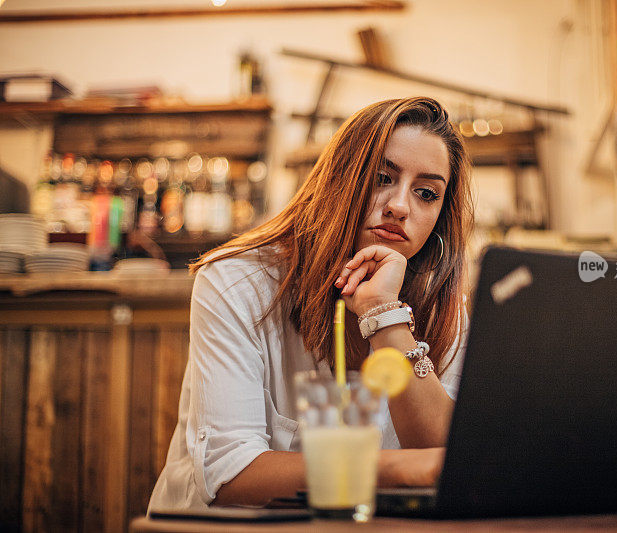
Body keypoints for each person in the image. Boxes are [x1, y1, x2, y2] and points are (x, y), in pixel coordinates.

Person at [148, 96, 474, 510]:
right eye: (380, 178)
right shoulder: (237, 282)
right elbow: (230, 474)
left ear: (440, 217)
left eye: (426, 192)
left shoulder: (445, 307)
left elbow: (453, 461)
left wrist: (386, 318)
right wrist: (397, 469)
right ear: (338, 181)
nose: (398, 205)